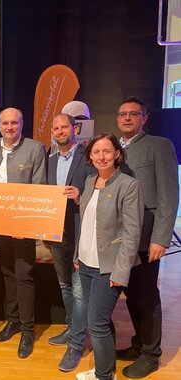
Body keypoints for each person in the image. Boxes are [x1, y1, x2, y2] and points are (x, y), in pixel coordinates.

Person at [115, 96, 179, 378]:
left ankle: (152, 355)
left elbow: (169, 196)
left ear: (145, 118)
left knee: (147, 297)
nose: (127, 118)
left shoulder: (159, 146)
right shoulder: (113, 149)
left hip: (145, 238)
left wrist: (161, 238)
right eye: (123, 114)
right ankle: (139, 344)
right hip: (120, 238)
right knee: (131, 296)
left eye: (133, 114)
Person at [75, 133, 144, 380]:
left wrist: (120, 272)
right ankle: (107, 370)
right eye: (96, 152)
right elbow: (85, 222)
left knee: (97, 323)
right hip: (85, 263)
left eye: (106, 151)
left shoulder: (128, 185)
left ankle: (104, 376)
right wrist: (77, 254)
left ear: (116, 154)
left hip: (108, 267)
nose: (101, 156)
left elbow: (132, 233)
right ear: (90, 156)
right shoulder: (90, 181)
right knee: (101, 321)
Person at [0, 107, 47, 359]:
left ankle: (28, 330)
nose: (9, 127)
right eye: (5, 123)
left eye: (14, 123)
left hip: (23, 224)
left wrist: (29, 225)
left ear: (22, 124)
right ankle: (12, 321)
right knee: (7, 272)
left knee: (24, 276)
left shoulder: (35, 148)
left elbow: (40, 187)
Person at [45, 113, 94, 372]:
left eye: (65, 126)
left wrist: (80, 195)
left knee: (78, 290)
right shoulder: (49, 159)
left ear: (74, 128)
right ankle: (71, 327)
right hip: (56, 232)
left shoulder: (88, 157)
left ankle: (75, 345)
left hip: (81, 232)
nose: (60, 131)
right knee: (64, 284)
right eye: (56, 128)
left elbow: (101, 190)